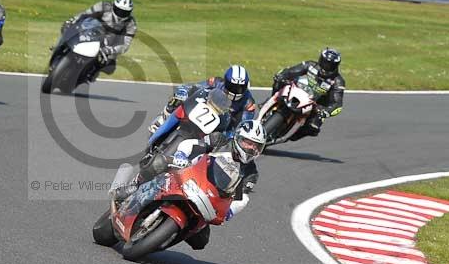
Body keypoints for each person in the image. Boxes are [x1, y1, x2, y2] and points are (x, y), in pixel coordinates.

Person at [115, 120, 265, 251]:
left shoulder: (250, 172)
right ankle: (134, 187)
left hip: (207, 200)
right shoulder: (221, 141)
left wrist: (227, 213)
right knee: (158, 163)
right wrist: (181, 155)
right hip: (185, 175)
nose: (251, 148)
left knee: (200, 242)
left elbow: (242, 198)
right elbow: (191, 144)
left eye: (256, 146)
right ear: (238, 137)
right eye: (248, 142)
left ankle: (162, 238)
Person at [148, 65, 256, 136]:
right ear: (226, 82)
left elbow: (242, 127)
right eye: (232, 86)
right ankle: (164, 118)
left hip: (220, 128)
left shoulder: (248, 103)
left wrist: (229, 136)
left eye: (240, 87)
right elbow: (197, 86)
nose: (236, 91)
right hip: (201, 109)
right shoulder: (216, 82)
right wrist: (185, 90)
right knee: (179, 96)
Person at [271, 48, 345, 142]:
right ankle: (271, 100)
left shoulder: (338, 81)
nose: (326, 66)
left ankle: (293, 135)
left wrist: (326, 111)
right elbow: (291, 71)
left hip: (316, 105)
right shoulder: (310, 65)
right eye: (325, 62)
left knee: (313, 127)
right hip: (298, 90)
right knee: (278, 81)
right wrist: (282, 75)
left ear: (336, 66)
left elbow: (337, 104)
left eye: (330, 65)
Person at [61, 0, 136, 78]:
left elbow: (125, 45)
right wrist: (72, 20)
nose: (121, 14)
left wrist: (109, 50)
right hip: (91, 33)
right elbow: (85, 14)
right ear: (114, 6)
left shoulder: (130, 24)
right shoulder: (103, 6)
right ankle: (60, 48)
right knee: (68, 30)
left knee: (109, 67)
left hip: (108, 45)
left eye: (125, 12)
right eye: (119, 10)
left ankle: (88, 75)